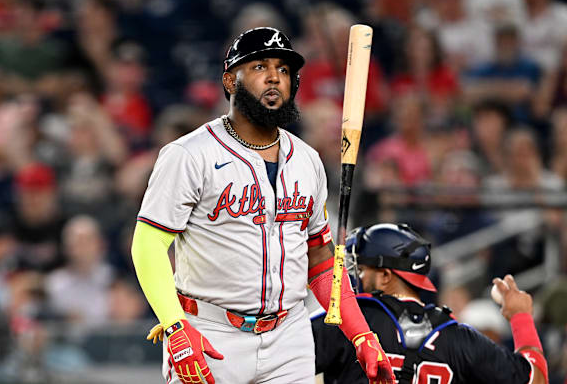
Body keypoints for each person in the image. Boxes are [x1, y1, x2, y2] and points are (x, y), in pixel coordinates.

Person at [131, 27, 394, 384]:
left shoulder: (307, 160)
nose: (274, 77)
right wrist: (174, 325)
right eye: (258, 67)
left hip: (290, 335)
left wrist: (360, 333)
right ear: (229, 80)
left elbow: (319, 259)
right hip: (212, 331)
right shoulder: (189, 155)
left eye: (284, 69)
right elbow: (147, 245)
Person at [312, 223, 549, 384]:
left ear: (385, 276)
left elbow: (277, 358)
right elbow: (535, 379)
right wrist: (520, 315)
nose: (357, 277)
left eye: (362, 269)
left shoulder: (347, 321)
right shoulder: (458, 336)